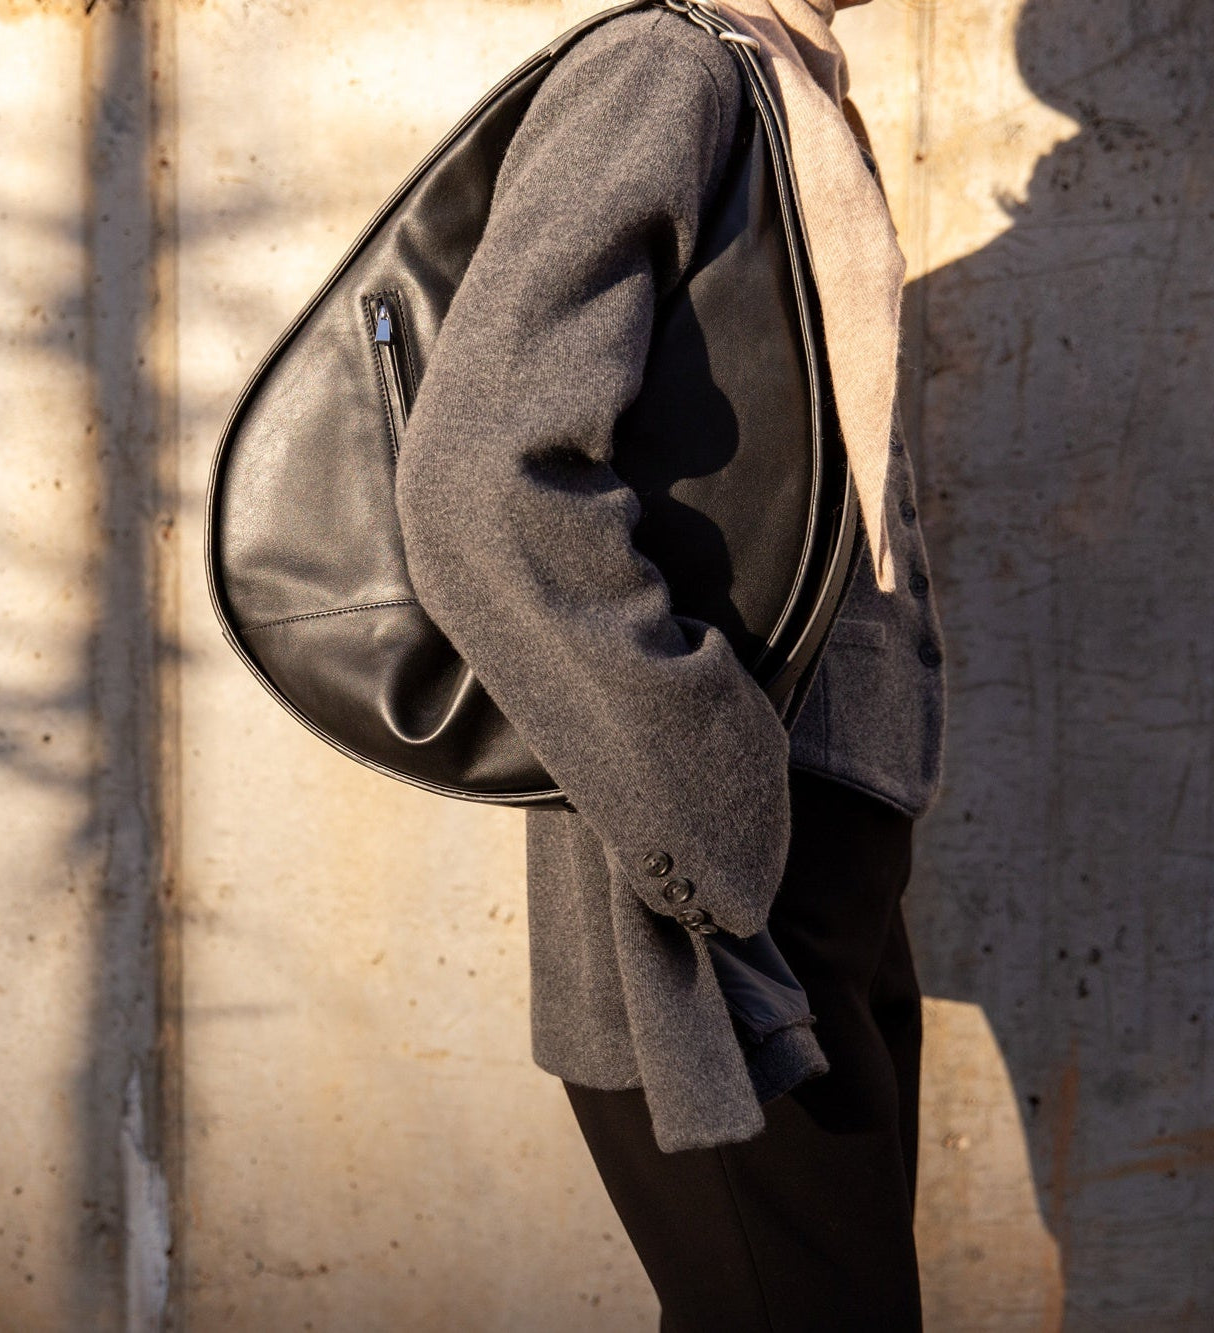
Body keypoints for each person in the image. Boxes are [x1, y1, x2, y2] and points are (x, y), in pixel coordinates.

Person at [393, 1, 946, 1327]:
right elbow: (478, 479)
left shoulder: (787, 81)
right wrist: (704, 791)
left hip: (821, 831)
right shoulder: (666, 71)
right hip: (724, 855)